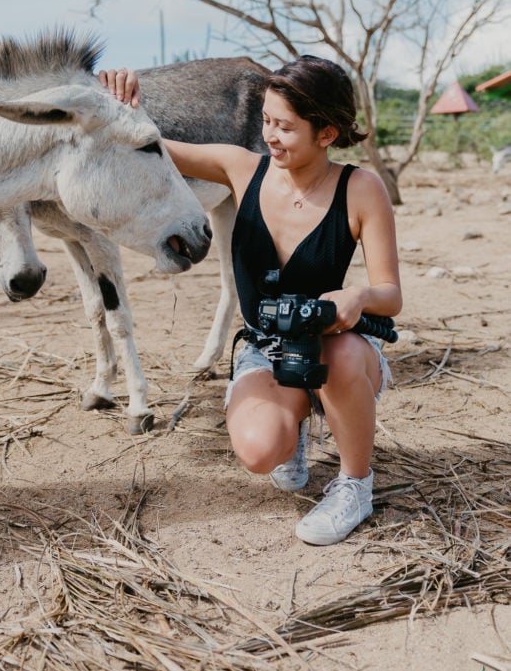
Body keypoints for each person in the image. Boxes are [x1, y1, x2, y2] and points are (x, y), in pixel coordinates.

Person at [98, 56, 402, 545]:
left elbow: (390, 296)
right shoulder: (240, 168)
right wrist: (120, 108)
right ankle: (296, 424)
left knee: (341, 353)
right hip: (266, 345)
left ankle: (354, 485)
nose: (269, 136)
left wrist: (358, 295)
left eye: (285, 127)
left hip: (335, 344)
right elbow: (146, 144)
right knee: (261, 453)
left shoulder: (360, 189)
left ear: (326, 133)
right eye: (265, 121)